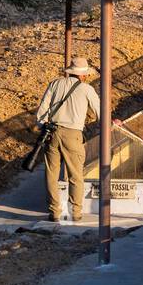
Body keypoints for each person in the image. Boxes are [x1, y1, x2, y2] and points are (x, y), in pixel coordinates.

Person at [35, 57, 101, 222]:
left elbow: (42, 110)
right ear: (83, 75)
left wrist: (43, 126)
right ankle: (75, 212)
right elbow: (100, 113)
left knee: (51, 174)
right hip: (73, 134)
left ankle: (54, 212)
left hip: (52, 132)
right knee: (76, 176)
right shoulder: (87, 89)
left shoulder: (55, 84)